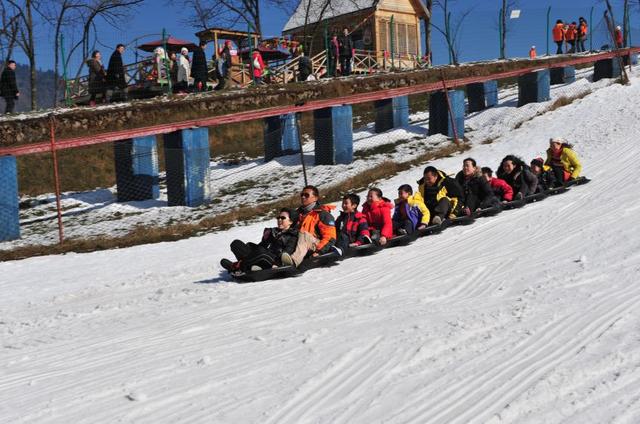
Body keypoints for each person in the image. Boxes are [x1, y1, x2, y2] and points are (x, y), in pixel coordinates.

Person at [221, 208, 299, 272]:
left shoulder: (292, 235)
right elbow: (261, 246)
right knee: (236, 244)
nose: (279, 220)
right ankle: (252, 265)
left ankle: (237, 266)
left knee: (262, 252)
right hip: (260, 255)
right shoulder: (272, 232)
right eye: (278, 218)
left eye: (283, 218)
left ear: (291, 221)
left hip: (273, 259)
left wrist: (278, 262)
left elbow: (286, 254)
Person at [281, 185, 338, 267]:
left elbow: (330, 237)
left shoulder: (323, 214)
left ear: (315, 198)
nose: (303, 197)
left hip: (316, 245)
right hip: (299, 244)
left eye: (306, 195)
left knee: (303, 234)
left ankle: (293, 261)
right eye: (302, 195)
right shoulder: (297, 214)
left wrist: (319, 251)